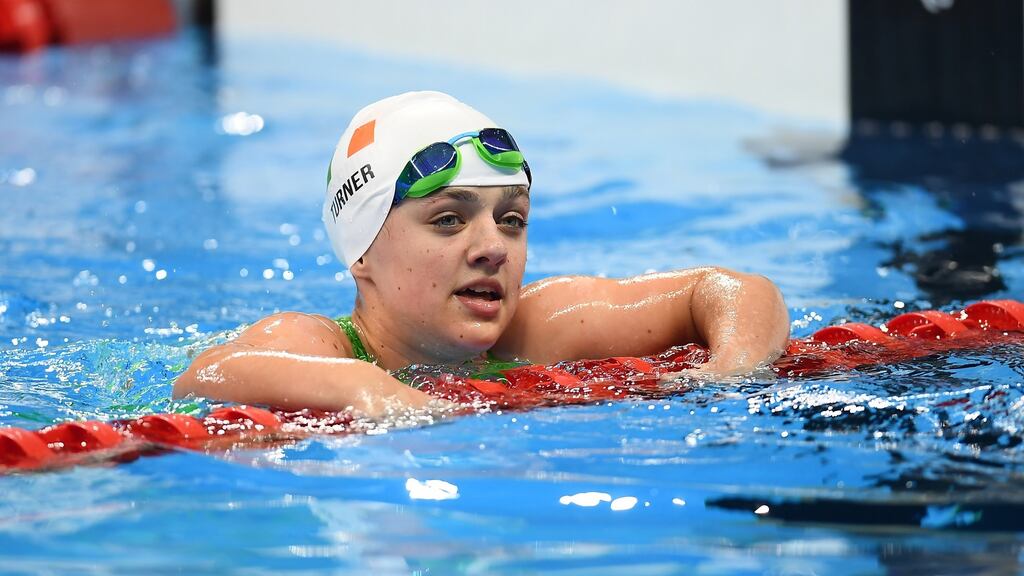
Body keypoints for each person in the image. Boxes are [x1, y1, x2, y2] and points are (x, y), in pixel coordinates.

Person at [173, 91, 790, 416]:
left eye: (512, 220)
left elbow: (733, 291)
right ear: (361, 253)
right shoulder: (324, 347)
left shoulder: (537, 329)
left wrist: (729, 373)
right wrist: (364, 388)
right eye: (448, 220)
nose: (494, 247)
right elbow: (204, 378)